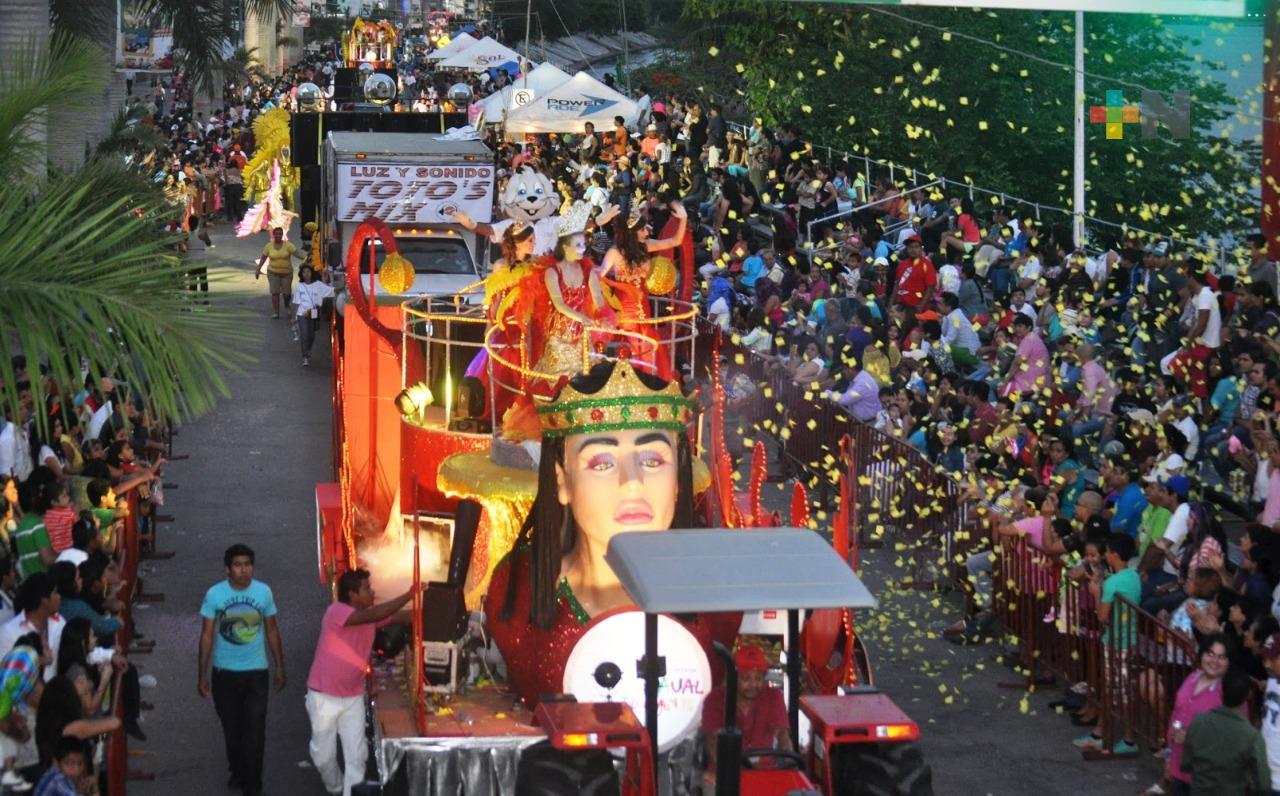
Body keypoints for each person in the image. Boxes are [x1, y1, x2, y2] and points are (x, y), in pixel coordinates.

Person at [485, 360, 736, 708]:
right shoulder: (518, 589)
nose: (631, 482)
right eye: (602, 463)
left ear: (679, 479)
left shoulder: (718, 600)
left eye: (651, 460)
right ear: (562, 481)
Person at [305, 569, 421, 796]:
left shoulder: (369, 616)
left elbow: (399, 616)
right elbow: (378, 614)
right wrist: (408, 594)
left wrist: (431, 609)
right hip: (323, 696)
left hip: (353, 697)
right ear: (352, 594)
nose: (373, 591)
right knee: (322, 757)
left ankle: (351, 792)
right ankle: (337, 788)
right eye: (367, 588)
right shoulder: (336, 612)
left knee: (357, 757)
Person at [198, 544, 284, 796]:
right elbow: (206, 635)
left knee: (255, 731)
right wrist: (201, 675)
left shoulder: (263, 592)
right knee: (232, 731)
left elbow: (271, 630)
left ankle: (253, 786)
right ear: (227, 569)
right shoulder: (214, 595)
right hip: (224, 673)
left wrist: (280, 667)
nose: (244, 570)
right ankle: (237, 769)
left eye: (247, 564)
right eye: (238, 565)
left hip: (257, 672)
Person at [701, 645, 791, 773]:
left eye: (758, 678)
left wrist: (791, 765)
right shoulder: (715, 699)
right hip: (722, 776)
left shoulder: (774, 697)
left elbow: (782, 735)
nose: (753, 684)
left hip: (764, 773)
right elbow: (711, 741)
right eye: (746, 678)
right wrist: (729, 776)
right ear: (733, 677)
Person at [1181, 666, 1270, 794]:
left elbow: (1186, 764)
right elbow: (1263, 784)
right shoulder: (1252, 736)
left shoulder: (1199, 721)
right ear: (1249, 695)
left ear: (1221, 692)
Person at [1163, 634, 1230, 796]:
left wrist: (1192, 736)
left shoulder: (1230, 692)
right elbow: (1176, 716)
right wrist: (1168, 756)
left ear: (1229, 662)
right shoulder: (1192, 678)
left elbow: (1233, 736)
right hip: (1180, 767)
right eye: (1210, 654)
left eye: (1221, 657)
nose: (1214, 661)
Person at [254, 226, 305, 319]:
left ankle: (286, 305)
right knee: (275, 293)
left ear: (282, 235)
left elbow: (297, 254)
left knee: (286, 293)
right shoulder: (269, 246)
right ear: (273, 235)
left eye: (280, 234)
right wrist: (258, 269)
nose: (278, 236)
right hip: (273, 272)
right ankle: (276, 312)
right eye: (276, 234)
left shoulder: (288, 245)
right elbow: (263, 258)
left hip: (286, 273)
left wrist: (307, 259)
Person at [293, 264, 335, 367]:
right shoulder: (299, 286)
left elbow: (330, 291)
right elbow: (296, 302)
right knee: (305, 335)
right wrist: (293, 317)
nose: (306, 274)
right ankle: (305, 357)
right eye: (304, 272)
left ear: (312, 273)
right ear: (301, 274)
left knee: (311, 335)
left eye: (308, 272)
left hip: (313, 313)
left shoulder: (317, 284)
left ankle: (308, 350)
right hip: (302, 313)